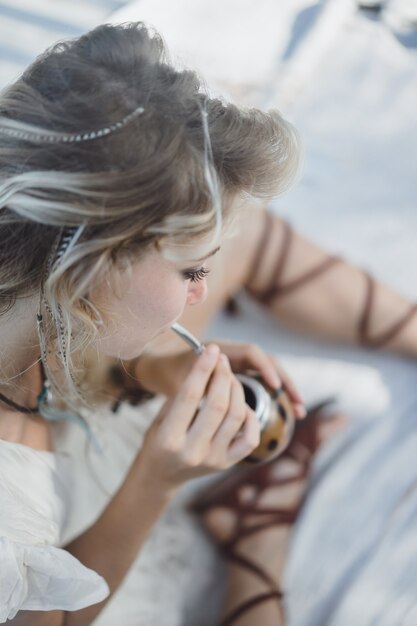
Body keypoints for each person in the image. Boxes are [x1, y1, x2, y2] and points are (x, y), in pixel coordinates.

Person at [1, 19, 416, 626]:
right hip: (86, 555)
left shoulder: (34, 283)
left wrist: (160, 367)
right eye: (192, 272)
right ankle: (253, 539)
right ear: (87, 277)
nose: (202, 293)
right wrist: (157, 478)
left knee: (251, 241)